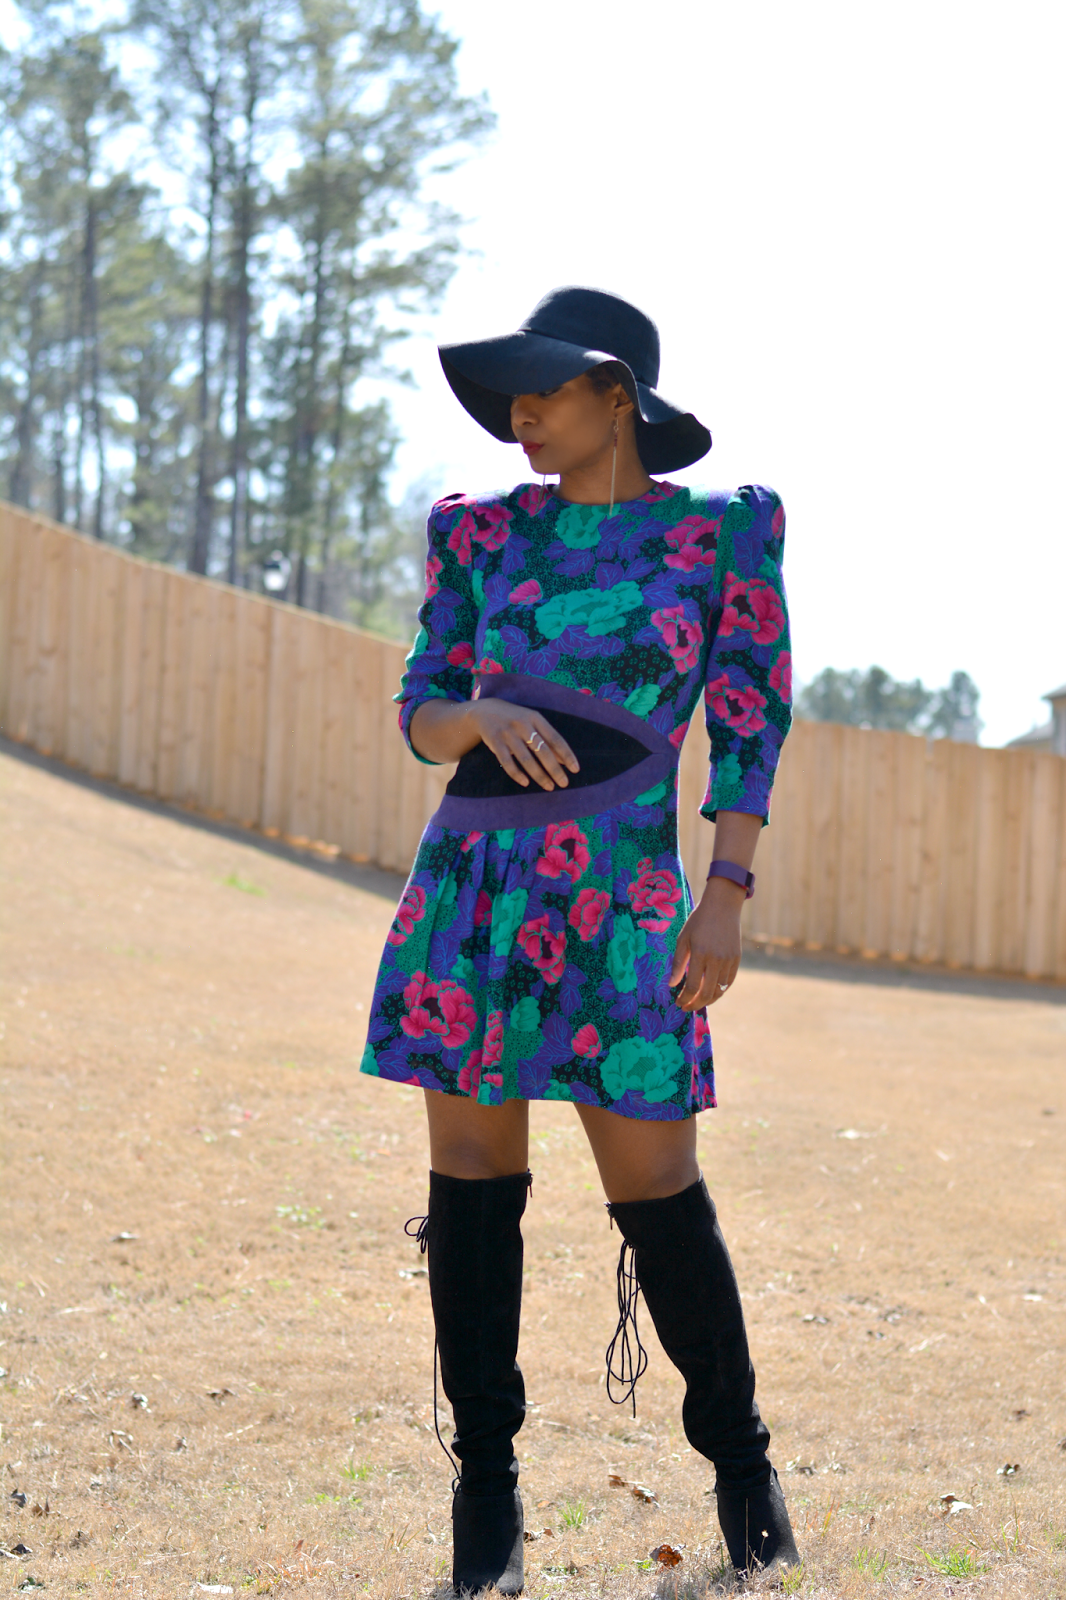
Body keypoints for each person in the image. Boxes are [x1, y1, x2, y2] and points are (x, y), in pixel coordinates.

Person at [361, 286, 799, 1594]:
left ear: (619, 396)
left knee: (657, 1186)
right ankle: (485, 1503)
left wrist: (726, 889)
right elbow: (420, 708)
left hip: (624, 902)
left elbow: (751, 714)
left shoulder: (722, 531)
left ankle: (742, 1475)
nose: (520, 416)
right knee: (471, 1185)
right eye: (510, 397)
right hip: (475, 890)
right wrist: (480, 717)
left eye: (543, 390)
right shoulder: (477, 529)